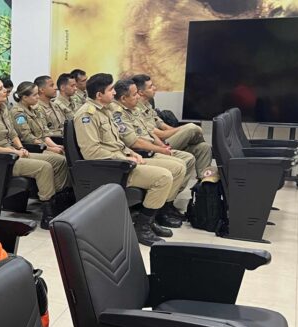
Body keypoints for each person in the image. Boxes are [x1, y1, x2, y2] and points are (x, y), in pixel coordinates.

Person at [73, 73, 177, 246]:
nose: (114, 93)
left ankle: (149, 221)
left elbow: (115, 142)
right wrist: (125, 158)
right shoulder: (87, 115)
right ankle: (142, 227)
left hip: (121, 161)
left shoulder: (105, 111)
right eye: (110, 90)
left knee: (172, 169)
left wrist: (131, 153)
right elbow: (92, 152)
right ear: (99, 95)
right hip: (111, 168)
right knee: (163, 177)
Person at [0, 77, 68, 228]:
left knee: (59, 161)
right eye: (0, 89)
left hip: (13, 152)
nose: (5, 91)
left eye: (4, 87)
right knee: (44, 167)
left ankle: (59, 200)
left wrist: (19, 147)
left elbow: (13, 134)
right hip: (1, 160)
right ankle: (48, 212)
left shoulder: (3, 109)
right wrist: (11, 150)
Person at [109, 79, 195, 220]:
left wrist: (161, 146)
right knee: (171, 171)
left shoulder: (134, 109)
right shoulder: (116, 113)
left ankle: (166, 206)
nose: (138, 97)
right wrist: (159, 150)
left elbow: (150, 132)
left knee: (183, 162)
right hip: (135, 155)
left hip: (145, 151)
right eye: (135, 94)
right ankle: (150, 218)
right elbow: (134, 142)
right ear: (123, 98)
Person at [131, 74, 212, 177]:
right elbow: (160, 134)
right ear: (141, 92)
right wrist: (184, 129)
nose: (154, 88)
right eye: (151, 86)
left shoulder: (148, 105)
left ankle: (205, 184)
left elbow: (164, 126)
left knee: (204, 147)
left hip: (166, 141)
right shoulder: (135, 109)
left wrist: (182, 134)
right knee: (192, 127)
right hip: (157, 146)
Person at [10, 81, 66, 152]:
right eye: (35, 95)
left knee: (64, 152)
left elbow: (44, 133)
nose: (38, 97)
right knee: (60, 159)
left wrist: (55, 146)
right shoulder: (18, 113)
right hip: (32, 147)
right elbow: (28, 138)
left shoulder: (35, 109)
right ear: (25, 97)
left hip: (42, 145)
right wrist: (51, 149)